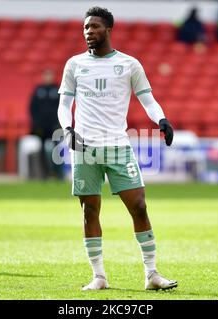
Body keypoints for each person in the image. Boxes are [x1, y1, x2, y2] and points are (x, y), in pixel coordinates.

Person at [57, 7, 177, 291]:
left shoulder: (129, 64)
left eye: (95, 27)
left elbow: (147, 99)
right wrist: (68, 130)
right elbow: (64, 105)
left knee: (139, 206)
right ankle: (99, 277)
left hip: (117, 146)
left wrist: (161, 119)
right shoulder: (74, 64)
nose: (89, 32)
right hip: (84, 148)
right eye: (86, 27)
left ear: (109, 29)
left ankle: (152, 275)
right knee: (89, 211)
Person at [29, 69, 64, 180]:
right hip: (41, 126)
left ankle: (58, 173)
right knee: (42, 149)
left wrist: (59, 123)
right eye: (46, 75)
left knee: (57, 149)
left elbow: (63, 107)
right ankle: (44, 173)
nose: (48, 78)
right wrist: (36, 124)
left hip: (54, 125)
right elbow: (32, 108)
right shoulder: (38, 90)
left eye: (50, 75)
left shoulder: (57, 89)